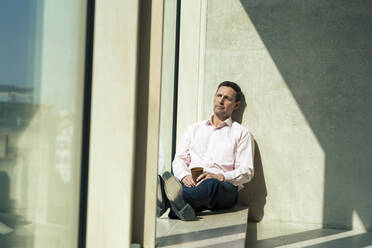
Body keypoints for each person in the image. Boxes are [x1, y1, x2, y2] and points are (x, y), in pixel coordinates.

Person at [157, 81, 254, 221]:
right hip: (191, 184)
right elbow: (179, 159)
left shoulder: (241, 133)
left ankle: (165, 202)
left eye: (227, 98)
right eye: (219, 95)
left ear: (236, 105)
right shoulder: (194, 129)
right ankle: (181, 209)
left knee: (211, 184)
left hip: (223, 189)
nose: (221, 100)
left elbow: (247, 171)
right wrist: (185, 176)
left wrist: (219, 176)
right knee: (186, 187)